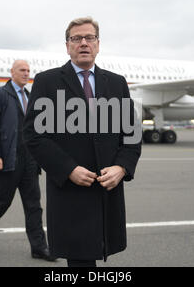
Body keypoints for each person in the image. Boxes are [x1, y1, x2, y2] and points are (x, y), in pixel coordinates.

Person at [23, 17, 142, 267]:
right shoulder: (47, 81)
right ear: (67, 46)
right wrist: (68, 170)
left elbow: (131, 135)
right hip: (70, 190)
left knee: (96, 252)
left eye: (90, 38)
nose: (83, 43)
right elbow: (34, 135)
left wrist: (122, 167)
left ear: (98, 44)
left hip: (106, 190)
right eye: (76, 39)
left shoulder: (117, 83)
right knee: (79, 260)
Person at [0, 60, 54, 261]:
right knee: (0, 203)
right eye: (22, 70)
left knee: (34, 206)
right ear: (12, 73)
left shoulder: (30, 96)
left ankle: (39, 248)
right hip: (8, 159)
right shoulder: (0, 94)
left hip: (30, 161)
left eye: (28, 71)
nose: (26, 74)